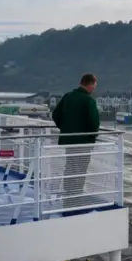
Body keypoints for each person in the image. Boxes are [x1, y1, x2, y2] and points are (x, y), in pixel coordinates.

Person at [52, 73, 100, 214]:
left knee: (70, 168)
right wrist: (92, 137)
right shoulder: (88, 100)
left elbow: (55, 115)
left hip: (69, 141)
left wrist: (66, 129)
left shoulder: (68, 97)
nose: (94, 90)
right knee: (80, 171)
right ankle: (75, 199)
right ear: (90, 84)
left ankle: (68, 197)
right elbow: (94, 123)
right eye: (94, 86)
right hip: (83, 143)